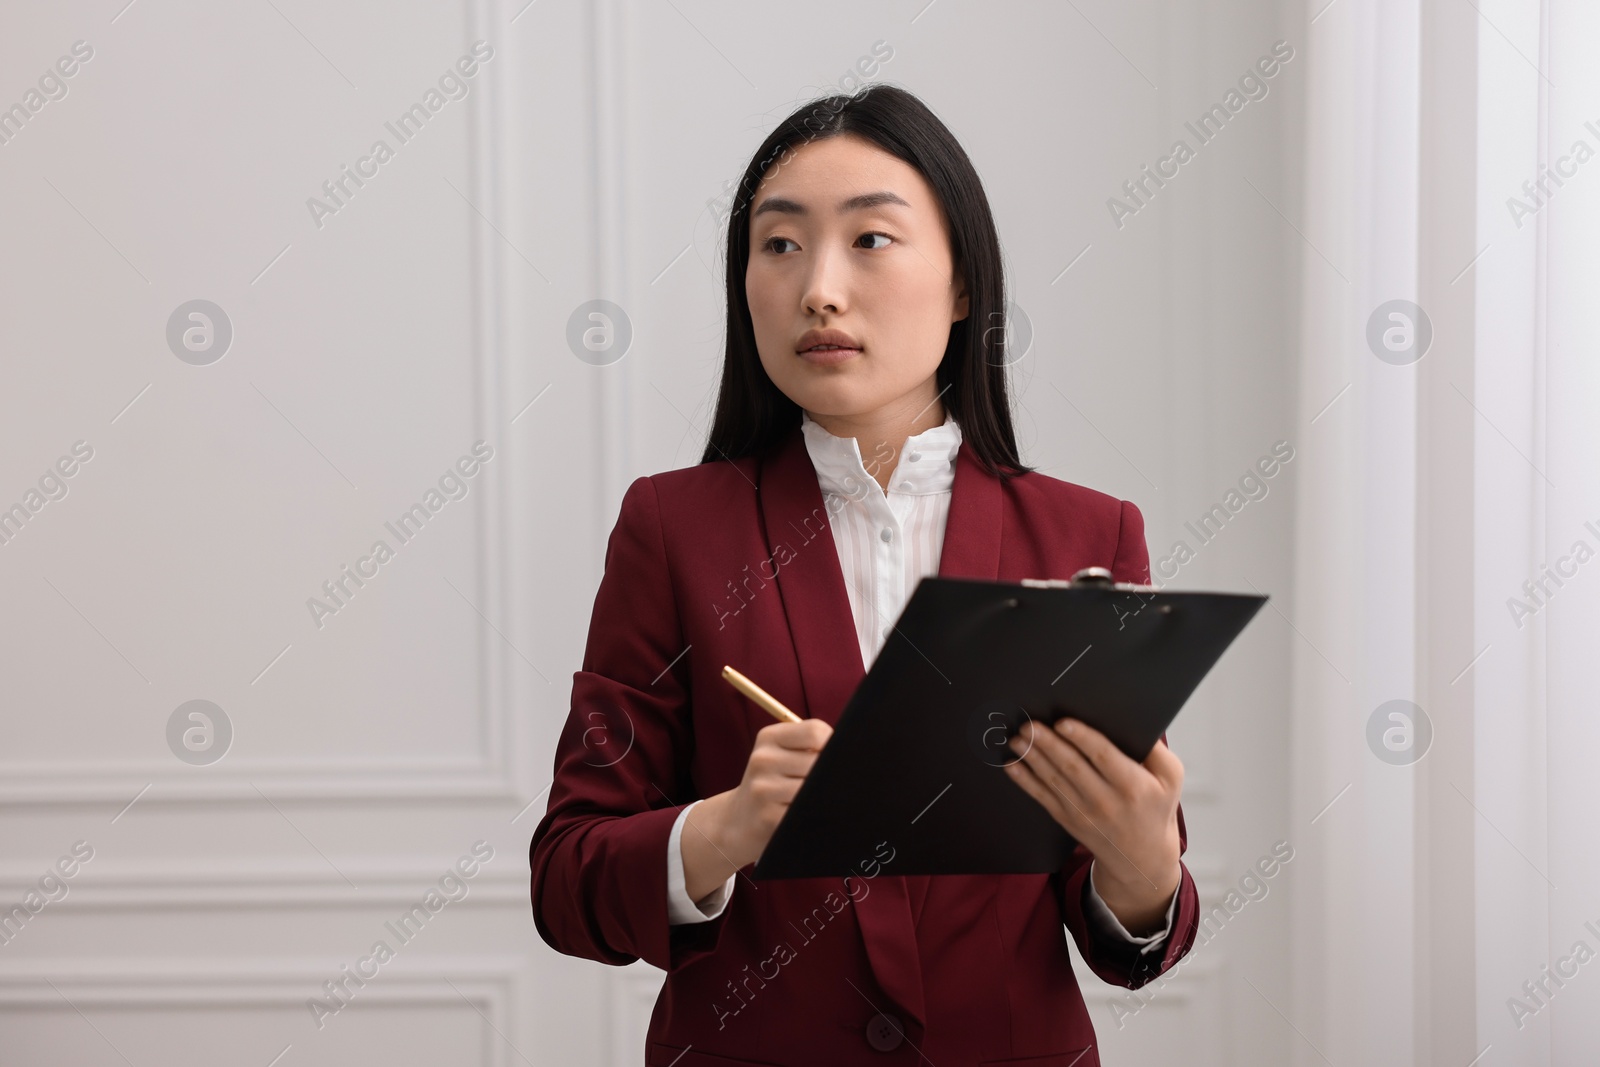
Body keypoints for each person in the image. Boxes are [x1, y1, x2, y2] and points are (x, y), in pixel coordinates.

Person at [529, 83, 1199, 1065]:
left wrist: (1142, 867)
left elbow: (1118, 918)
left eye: (870, 240)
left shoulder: (1086, 535)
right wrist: (723, 828)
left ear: (965, 282)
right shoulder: (672, 528)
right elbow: (567, 879)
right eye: (780, 244)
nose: (818, 289)